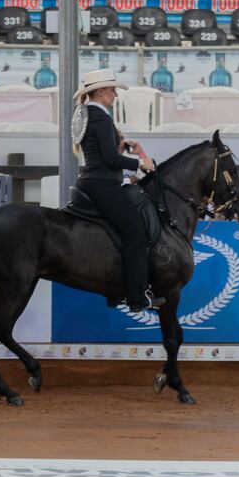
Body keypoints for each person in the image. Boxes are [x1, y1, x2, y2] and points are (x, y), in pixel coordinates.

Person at [71, 68, 163, 312]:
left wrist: (122, 147)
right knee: (135, 232)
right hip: (102, 184)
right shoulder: (99, 117)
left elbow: (106, 154)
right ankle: (136, 297)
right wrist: (139, 163)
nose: (115, 95)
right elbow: (110, 160)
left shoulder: (91, 115)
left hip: (93, 180)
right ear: (100, 92)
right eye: (112, 90)